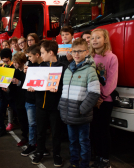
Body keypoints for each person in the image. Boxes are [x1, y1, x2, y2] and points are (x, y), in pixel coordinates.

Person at [58, 38, 100, 168]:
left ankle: (84, 165)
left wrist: (82, 109)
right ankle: (74, 163)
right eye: (74, 51)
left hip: (81, 115)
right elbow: (64, 91)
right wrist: (61, 106)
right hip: (69, 114)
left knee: (84, 142)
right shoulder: (68, 70)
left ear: (86, 52)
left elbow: (94, 93)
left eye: (80, 51)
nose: (76, 54)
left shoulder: (90, 70)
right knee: (73, 141)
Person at [90, 29, 118, 168]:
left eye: (98, 37)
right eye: (92, 38)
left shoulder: (112, 57)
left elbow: (112, 81)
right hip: (92, 100)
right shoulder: (90, 57)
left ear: (105, 39)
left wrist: (100, 97)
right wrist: (94, 98)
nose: (94, 40)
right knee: (94, 130)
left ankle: (105, 159)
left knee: (103, 130)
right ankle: (98, 156)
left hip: (104, 101)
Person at [0, 48, 19, 137]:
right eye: (3, 60)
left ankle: (26, 131)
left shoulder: (14, 68)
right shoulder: (1, 67)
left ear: (10, 58)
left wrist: (9, 89)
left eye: (7, 60)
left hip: (13, 96)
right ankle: (2, 128)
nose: (5, 61)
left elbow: (16, 83)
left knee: (19, 112)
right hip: (3, 96)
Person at [11, 52, 29, 146]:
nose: (14, 64)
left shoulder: (27, 71)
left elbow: (28, 84)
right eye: (14, 62)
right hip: (18, 99)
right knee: (22, 119)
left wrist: (19, 83)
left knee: (30, 121)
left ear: (22, 62)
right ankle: (24, 137)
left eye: (16, 62)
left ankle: (33, 139)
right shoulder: (15, 71)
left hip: (27, 99)